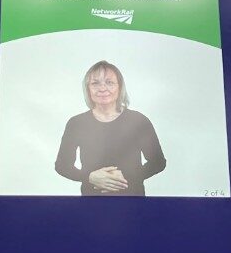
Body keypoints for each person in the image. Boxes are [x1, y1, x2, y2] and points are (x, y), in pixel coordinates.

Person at [54, 60, 166, 196]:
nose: (102, 88)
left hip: (132, 203)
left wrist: (126, 177)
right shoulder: (76, 123)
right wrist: (89, 177)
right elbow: (62, 165)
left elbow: (158, 162)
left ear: (120, 87)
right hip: (91, 203)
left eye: (109, 82)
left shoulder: (139, 121)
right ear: (88, 89)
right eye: (95, 83)